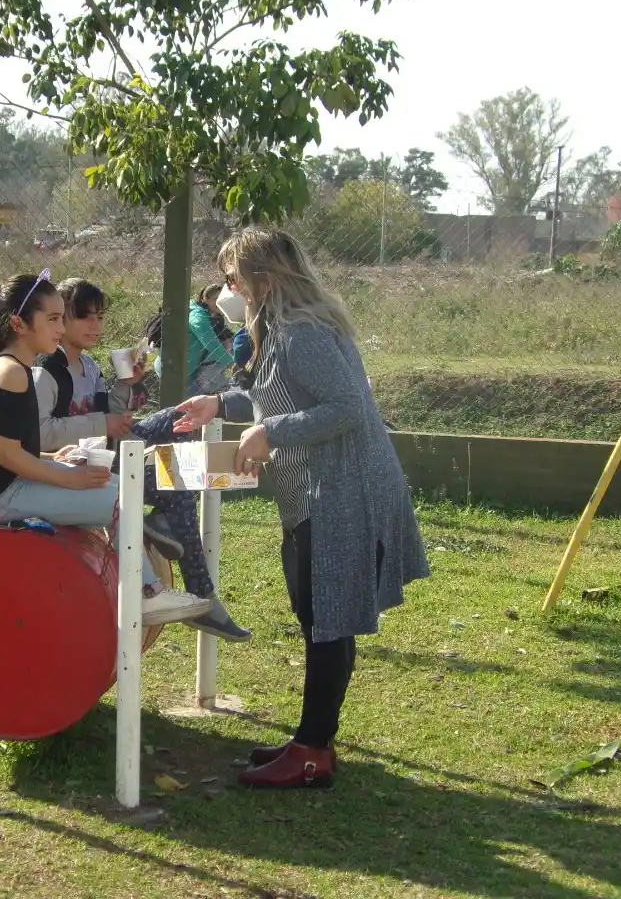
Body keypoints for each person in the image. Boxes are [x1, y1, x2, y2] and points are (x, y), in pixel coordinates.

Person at [173, 228, 430, 789]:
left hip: (343, 491)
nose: (227, 290)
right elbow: (278, 390)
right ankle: (314, 738)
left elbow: (346, 407)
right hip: (320, 490)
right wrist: (221, 401)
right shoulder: (280, 328)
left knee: (327, 618)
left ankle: (313, 750)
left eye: (233, 278)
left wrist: (269, 433)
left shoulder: (303, 331)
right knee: (318, 614)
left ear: (263, 279)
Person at [0, 270, 212, 627]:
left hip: (7, 486)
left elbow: (12, 450)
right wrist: (68, 478)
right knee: (119, 499)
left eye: (62, 318)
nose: (60, 328)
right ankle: (146, 594)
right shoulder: (10, 372)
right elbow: (6, 456)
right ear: (19, 323)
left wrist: (54, 460)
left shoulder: (20, 368)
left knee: (119, 485)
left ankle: (147, 586)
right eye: (54, 319)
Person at [32, 277, 250, 640]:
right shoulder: (46, 370)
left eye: (99, 317)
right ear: (59, 319)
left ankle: (172, 538)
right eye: (84, 317)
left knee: (175, 419)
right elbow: (42, 433)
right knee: (171, 484)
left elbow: (111, 419)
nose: (95, 326)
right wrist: (102, 422)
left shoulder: (88, 366)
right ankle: (203, 595)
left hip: (106, 455)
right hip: (77, 467)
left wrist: (128, 384)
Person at [147, 284, 236, 397]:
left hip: (186, 369)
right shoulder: (198, 317)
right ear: (205, 299)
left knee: (192, 406)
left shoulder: (213, 317)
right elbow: (212, 344)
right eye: (215, 299)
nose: (219, 303)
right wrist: (233, 366)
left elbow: (223, 337)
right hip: (173, 369)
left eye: (221, 299)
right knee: (192, 407)